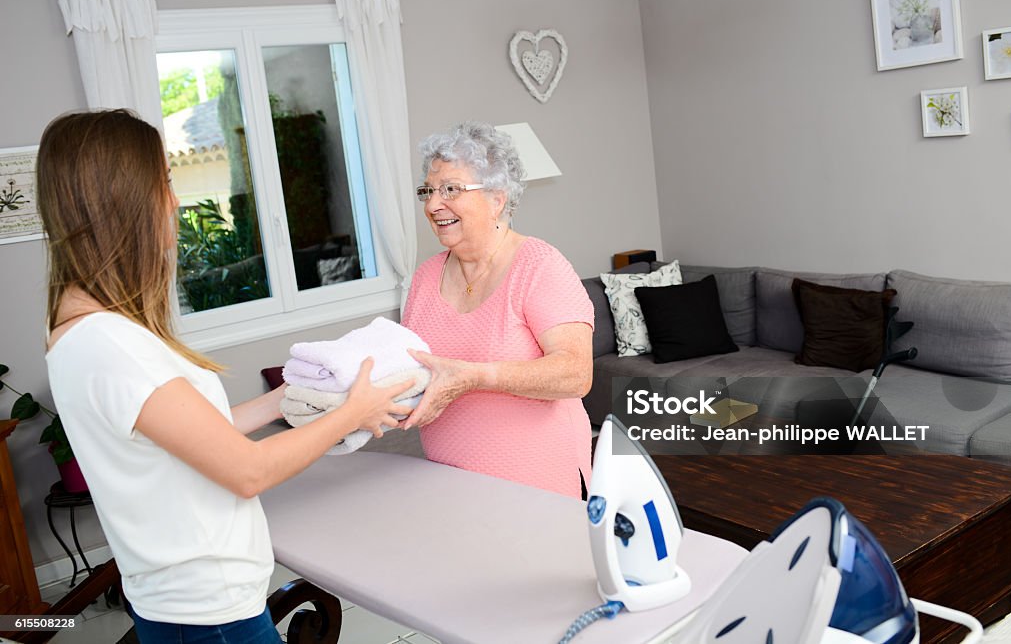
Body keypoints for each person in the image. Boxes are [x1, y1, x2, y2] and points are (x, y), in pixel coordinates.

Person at [37, 109, 413, 643]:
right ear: (121, 200)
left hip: (193, 605)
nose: (173, 201)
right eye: (163, 183)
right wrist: (354, 413)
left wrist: (286, 398)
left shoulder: (86, 331)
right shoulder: (109, 343)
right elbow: (247, 472)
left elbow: (198, 435)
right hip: (208, 614)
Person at [401, 122, 595, 499]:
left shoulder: (539, 265)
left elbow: (576, 373)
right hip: (451, 486)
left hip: (541, 486)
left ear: (496, 198)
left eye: (450, 190)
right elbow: (412, 370)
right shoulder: (425, 277)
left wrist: (475, 376)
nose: (432, 204)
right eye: (428, 190)